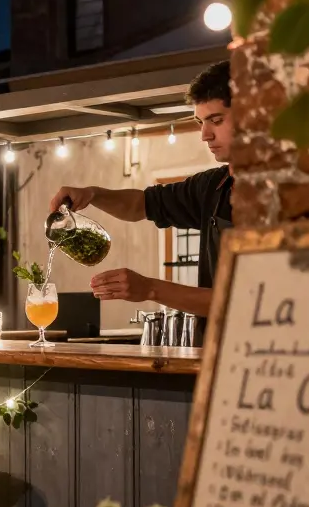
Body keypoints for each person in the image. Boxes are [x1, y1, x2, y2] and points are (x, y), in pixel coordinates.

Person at [50, 60, 235, 319]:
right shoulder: (211, 187)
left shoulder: (288, 194)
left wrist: (150, 288)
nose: (204, 134)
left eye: (216, 120)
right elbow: (141, 205)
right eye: (200, 122)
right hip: (216, 353)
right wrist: (93, 194)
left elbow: (248, 302)